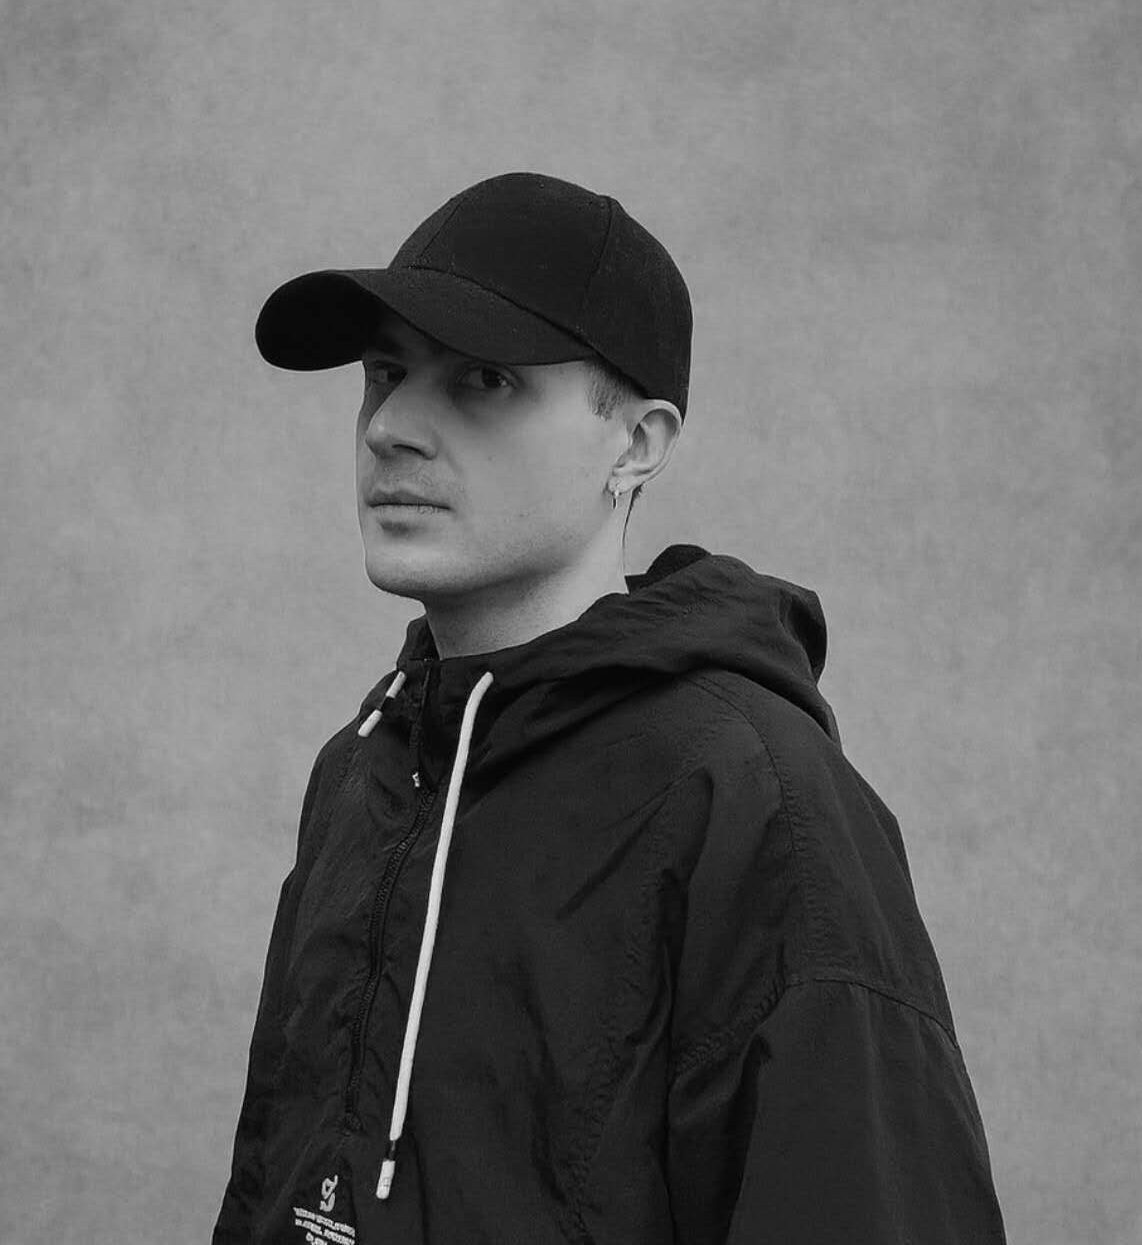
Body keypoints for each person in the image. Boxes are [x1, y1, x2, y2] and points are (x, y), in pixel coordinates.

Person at [213, 171, 1007, 1244]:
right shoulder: (363, 770)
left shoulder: (758, 804)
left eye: (483, 379)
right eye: (386, 372)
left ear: (636, 443)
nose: (391, 426)